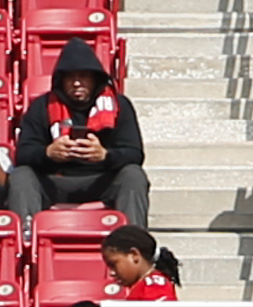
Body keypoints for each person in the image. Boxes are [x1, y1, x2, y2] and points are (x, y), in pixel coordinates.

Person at [8, 42, 152, 226]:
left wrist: (104, 155)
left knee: (134, 175)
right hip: (55, 180)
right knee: (21, 176)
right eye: (70, 78)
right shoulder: (41, 106)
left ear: (95, 79)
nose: (77, 83)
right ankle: (25, 240)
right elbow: (23, 154)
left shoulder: (120, 106)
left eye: (83, 76)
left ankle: (134, 242)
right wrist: (48, 153)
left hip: (101, 179)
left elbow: (134, 154)